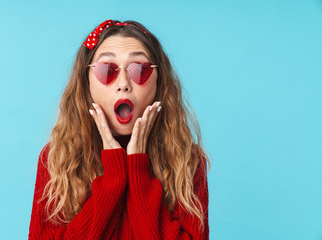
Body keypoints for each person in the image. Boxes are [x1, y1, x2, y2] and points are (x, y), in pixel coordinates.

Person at [28, 19, 210, 240]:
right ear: (86, 85)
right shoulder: (56, 159)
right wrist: (114, 177)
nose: (123, 83)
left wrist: (138, 172)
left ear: (159, 83)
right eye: (107, 70)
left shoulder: (187, 161)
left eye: (139, 69)